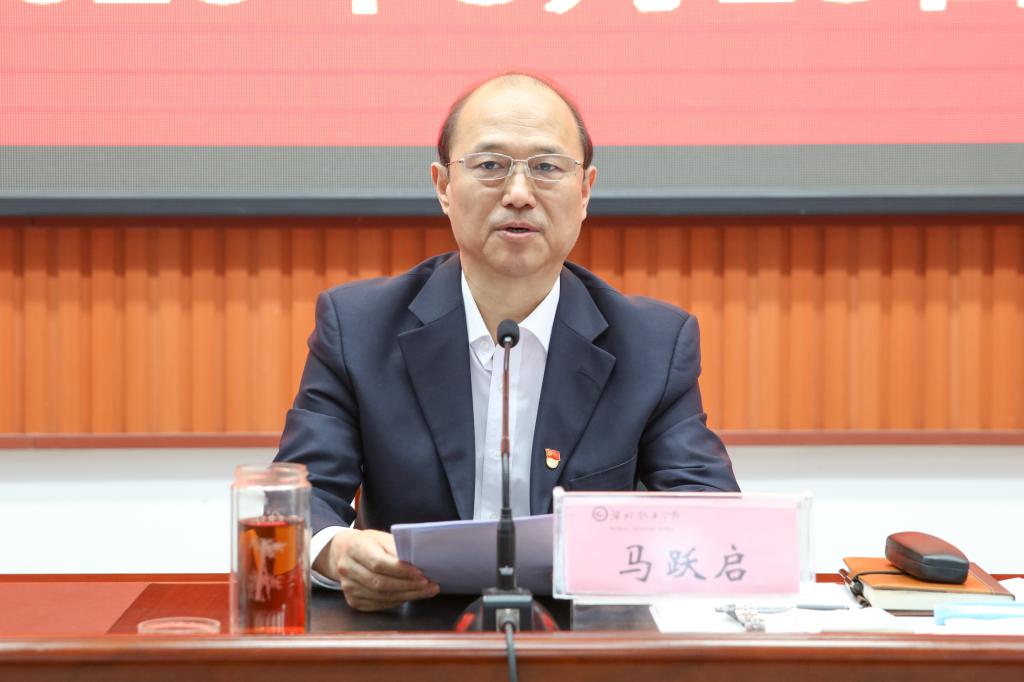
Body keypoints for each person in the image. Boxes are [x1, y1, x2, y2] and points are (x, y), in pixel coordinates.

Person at [274, 73, 739, 611]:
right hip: (409, 628)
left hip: (582, 639)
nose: (519, 195)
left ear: (585, 190)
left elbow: (708, 510)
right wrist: (337, 551)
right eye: (490, 166)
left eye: (547, 167)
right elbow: (299, 499)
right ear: (444, 186)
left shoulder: (653, 344)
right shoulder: (358, 327)